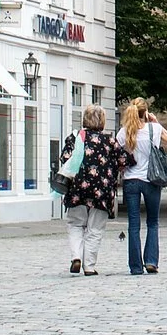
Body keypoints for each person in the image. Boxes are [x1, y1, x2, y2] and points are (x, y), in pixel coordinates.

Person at [61, 105, 127, 276]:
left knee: (75, 224)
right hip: (102, 192)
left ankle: (76, 256)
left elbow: (64, 159)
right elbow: (124, 160)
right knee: (95, 229)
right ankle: (89, 266)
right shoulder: (110, 141)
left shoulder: (75, 138)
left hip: (77, 190)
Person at [119, 98, 167, 275]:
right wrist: (156, 123)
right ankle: (151, 261)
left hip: (131, 180)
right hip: (151, 179)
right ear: (146, 112)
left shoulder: (124, 132)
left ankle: (135, 266)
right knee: (152, 221)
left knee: (133, 224)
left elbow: (116, 152)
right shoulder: (154, 129)